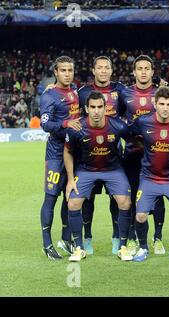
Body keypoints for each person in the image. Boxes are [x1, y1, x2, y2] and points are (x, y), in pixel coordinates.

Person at [64, 91, 133, 262]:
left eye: (100, 107)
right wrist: (71, 179)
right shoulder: (77, 128)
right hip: (86, 170)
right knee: (73, 203)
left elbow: (135, 140)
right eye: (92, 107)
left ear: (105, 108)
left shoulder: (118, 126)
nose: (96, 111)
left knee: (125, 202)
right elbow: (67, 152)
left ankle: (122, 246)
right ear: (86, 109)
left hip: (113, 169)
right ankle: (79, 248)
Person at [130, 86, 169, 262]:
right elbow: (128, 134)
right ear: (154, 104)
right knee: (140, 215)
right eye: (161, 104)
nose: (165, 108)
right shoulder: (143, 121)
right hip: (149, 178)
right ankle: (143, 248)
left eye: (168, 104)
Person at [77, 56, 127, 255]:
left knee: (116, 198)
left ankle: (117, 238)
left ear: (111, 70)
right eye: (100, 67)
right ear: (94, 70)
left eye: (107, 67)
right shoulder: (82, 93)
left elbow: (129, 110)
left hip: (113, 152)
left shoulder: (121, 90)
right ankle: (87, 238)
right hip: (88, 151)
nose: (104, 71)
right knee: (87, 199)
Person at [120, 55, 166, 256]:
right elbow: (120, 122)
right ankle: (131, 237)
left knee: (157, 196)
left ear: (152, 71)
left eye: (147, 68)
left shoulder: (160, 93)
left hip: (157, 155)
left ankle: (158, 238)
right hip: (132, 154)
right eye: (140, 68)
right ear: (134, 71)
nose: (144, 72)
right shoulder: (125, 93)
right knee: (132, 196)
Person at [39, 56, 81, 260]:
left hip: (72, 152)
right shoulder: (49, 96)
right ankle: (46, 244)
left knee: (69, 195)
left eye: (70, 70)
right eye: (63, 70)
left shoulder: (74, 92)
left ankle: (66, 238)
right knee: (51, 196)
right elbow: (45, 125)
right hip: (56, 154)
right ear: (55, 72)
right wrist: (65, 124)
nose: (67, 74)